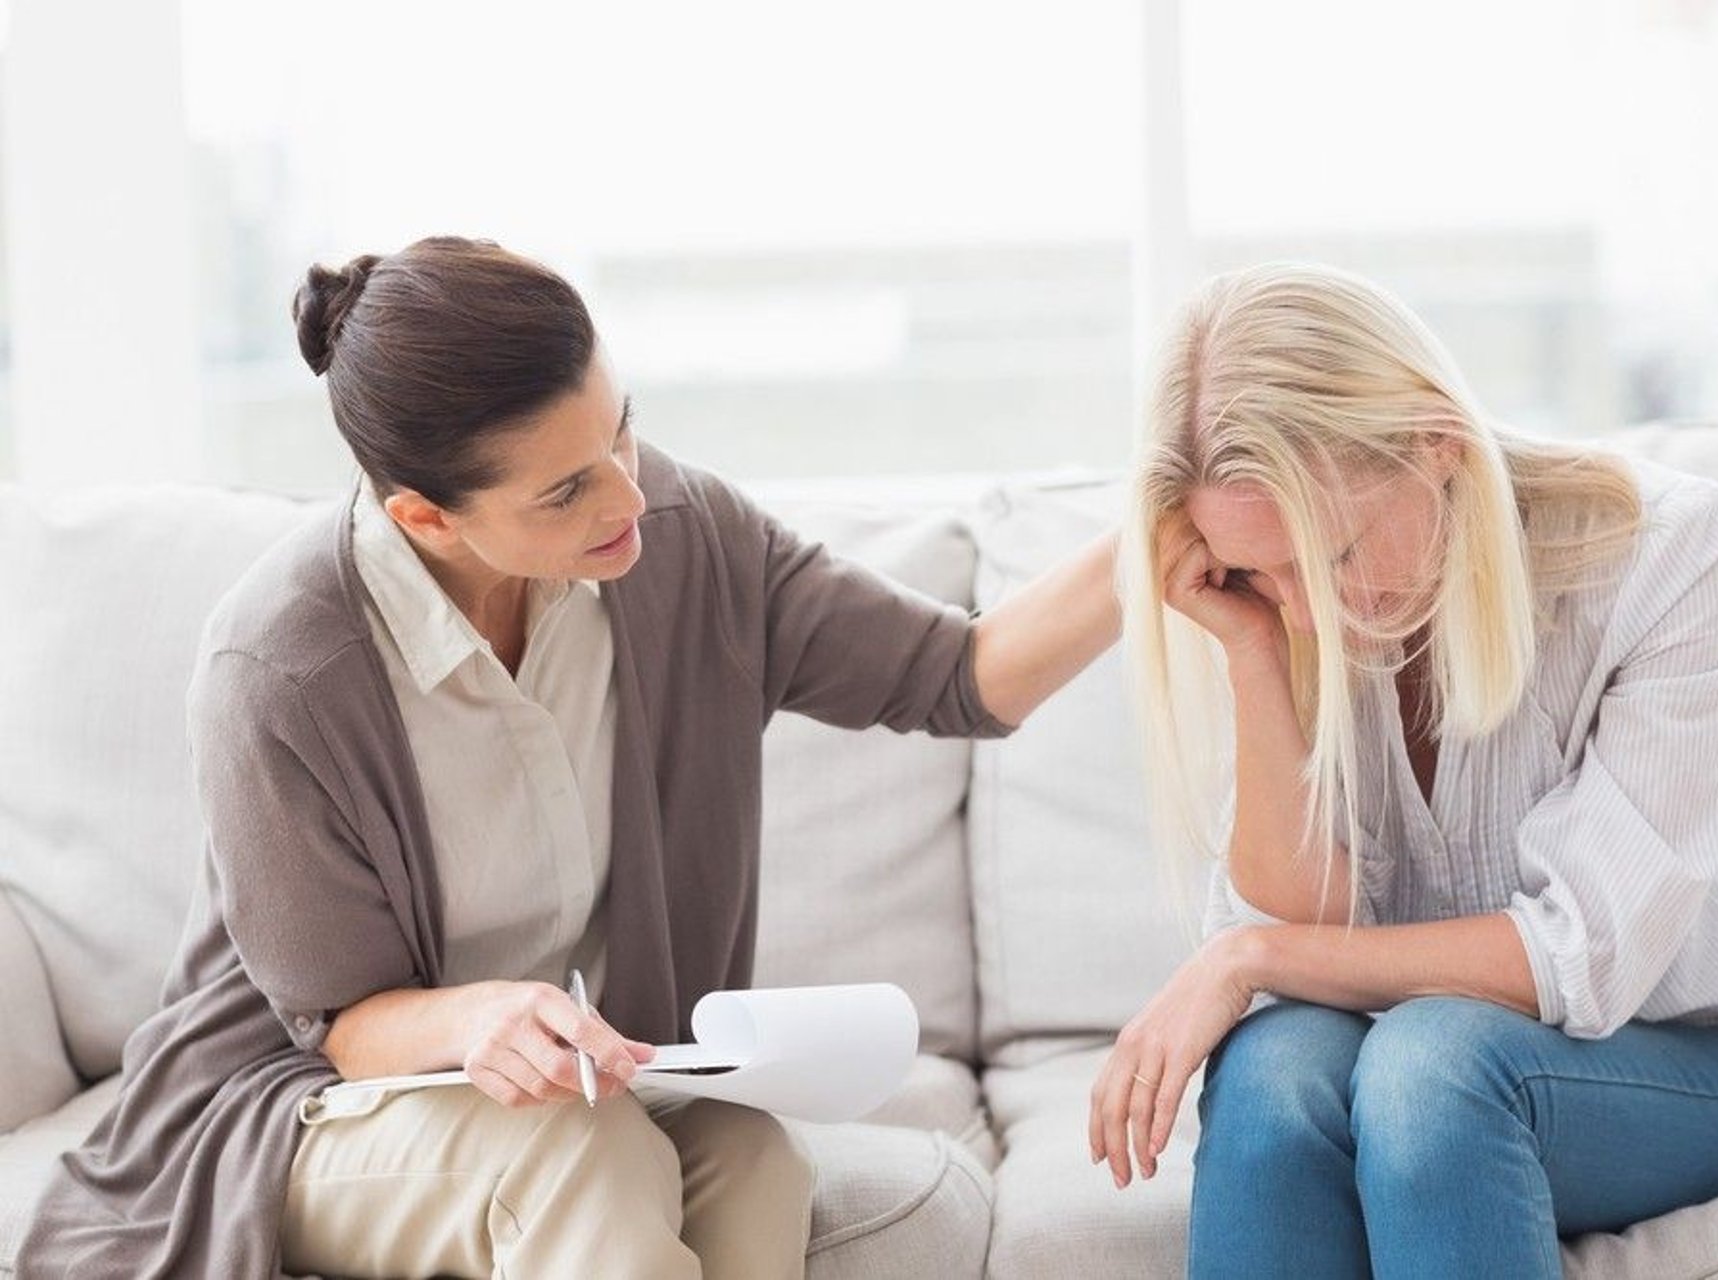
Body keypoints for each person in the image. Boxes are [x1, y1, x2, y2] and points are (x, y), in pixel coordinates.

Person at [19, 236, 1120, 1279]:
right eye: (565, 490)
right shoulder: (282, 667)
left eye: (621, 432)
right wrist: (478, 1016)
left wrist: (1163, 532)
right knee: (582, 1153)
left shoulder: (683, 539)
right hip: (300, 1107)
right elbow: (339, 1025)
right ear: (426, 518)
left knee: (748, 1155)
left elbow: (959, 674)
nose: (630, 496)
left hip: (583, 1095)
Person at [1088, 262, 1718, 1278]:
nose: (1305, 611)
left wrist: (1246, 957)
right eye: (1257, 574)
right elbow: (1302, 913)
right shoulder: (1284, 616)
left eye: (1334, 555)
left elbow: (1581, 953)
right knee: (1272, 1074)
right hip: (1411, 1061)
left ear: (1435, 438)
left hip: (1708, 1058)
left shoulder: (1670, 551)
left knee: (1430, 1071)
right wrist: (1252, 650)